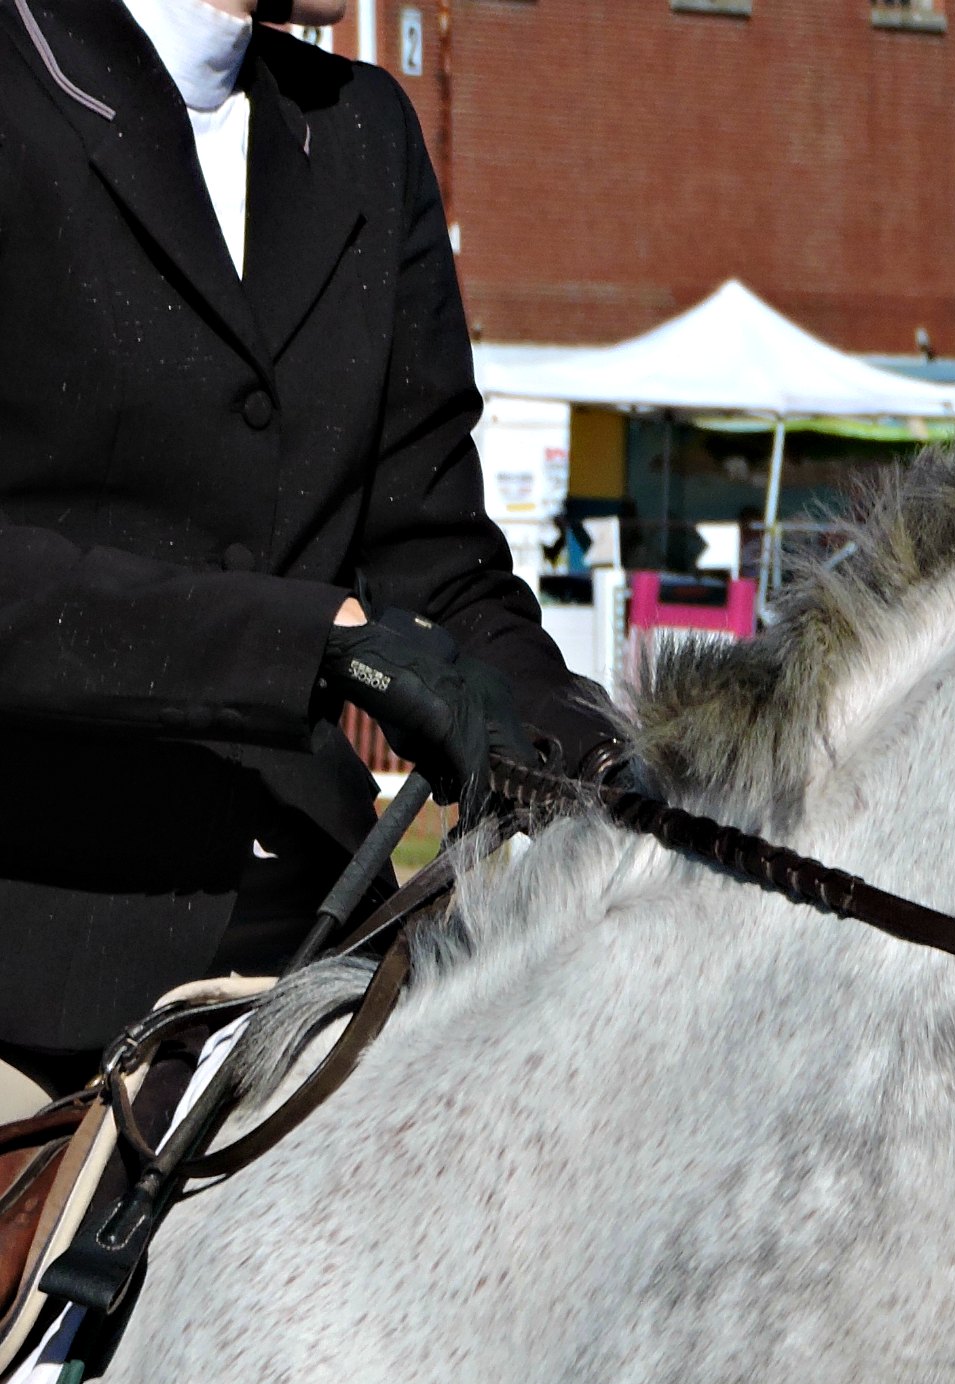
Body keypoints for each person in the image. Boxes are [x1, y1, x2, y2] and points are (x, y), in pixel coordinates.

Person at [0, 0, 621, 1113]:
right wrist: (310, 644)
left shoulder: (362, 130)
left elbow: (440, 567)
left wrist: (611, 758)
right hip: (32, 959)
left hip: (326, 947)